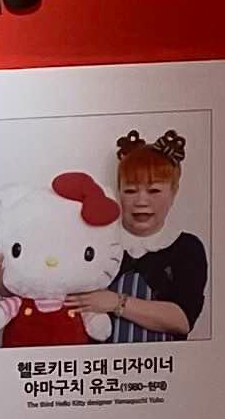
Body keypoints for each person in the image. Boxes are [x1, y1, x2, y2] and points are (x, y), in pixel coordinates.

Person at [79, 126, 208, 343]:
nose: (141, 201)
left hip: (164, 363)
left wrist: (116, 302)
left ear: (174, 192)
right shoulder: (99, 242)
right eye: (130, 191)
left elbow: (183, 320)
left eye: (154, 190)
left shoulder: (187, 248)